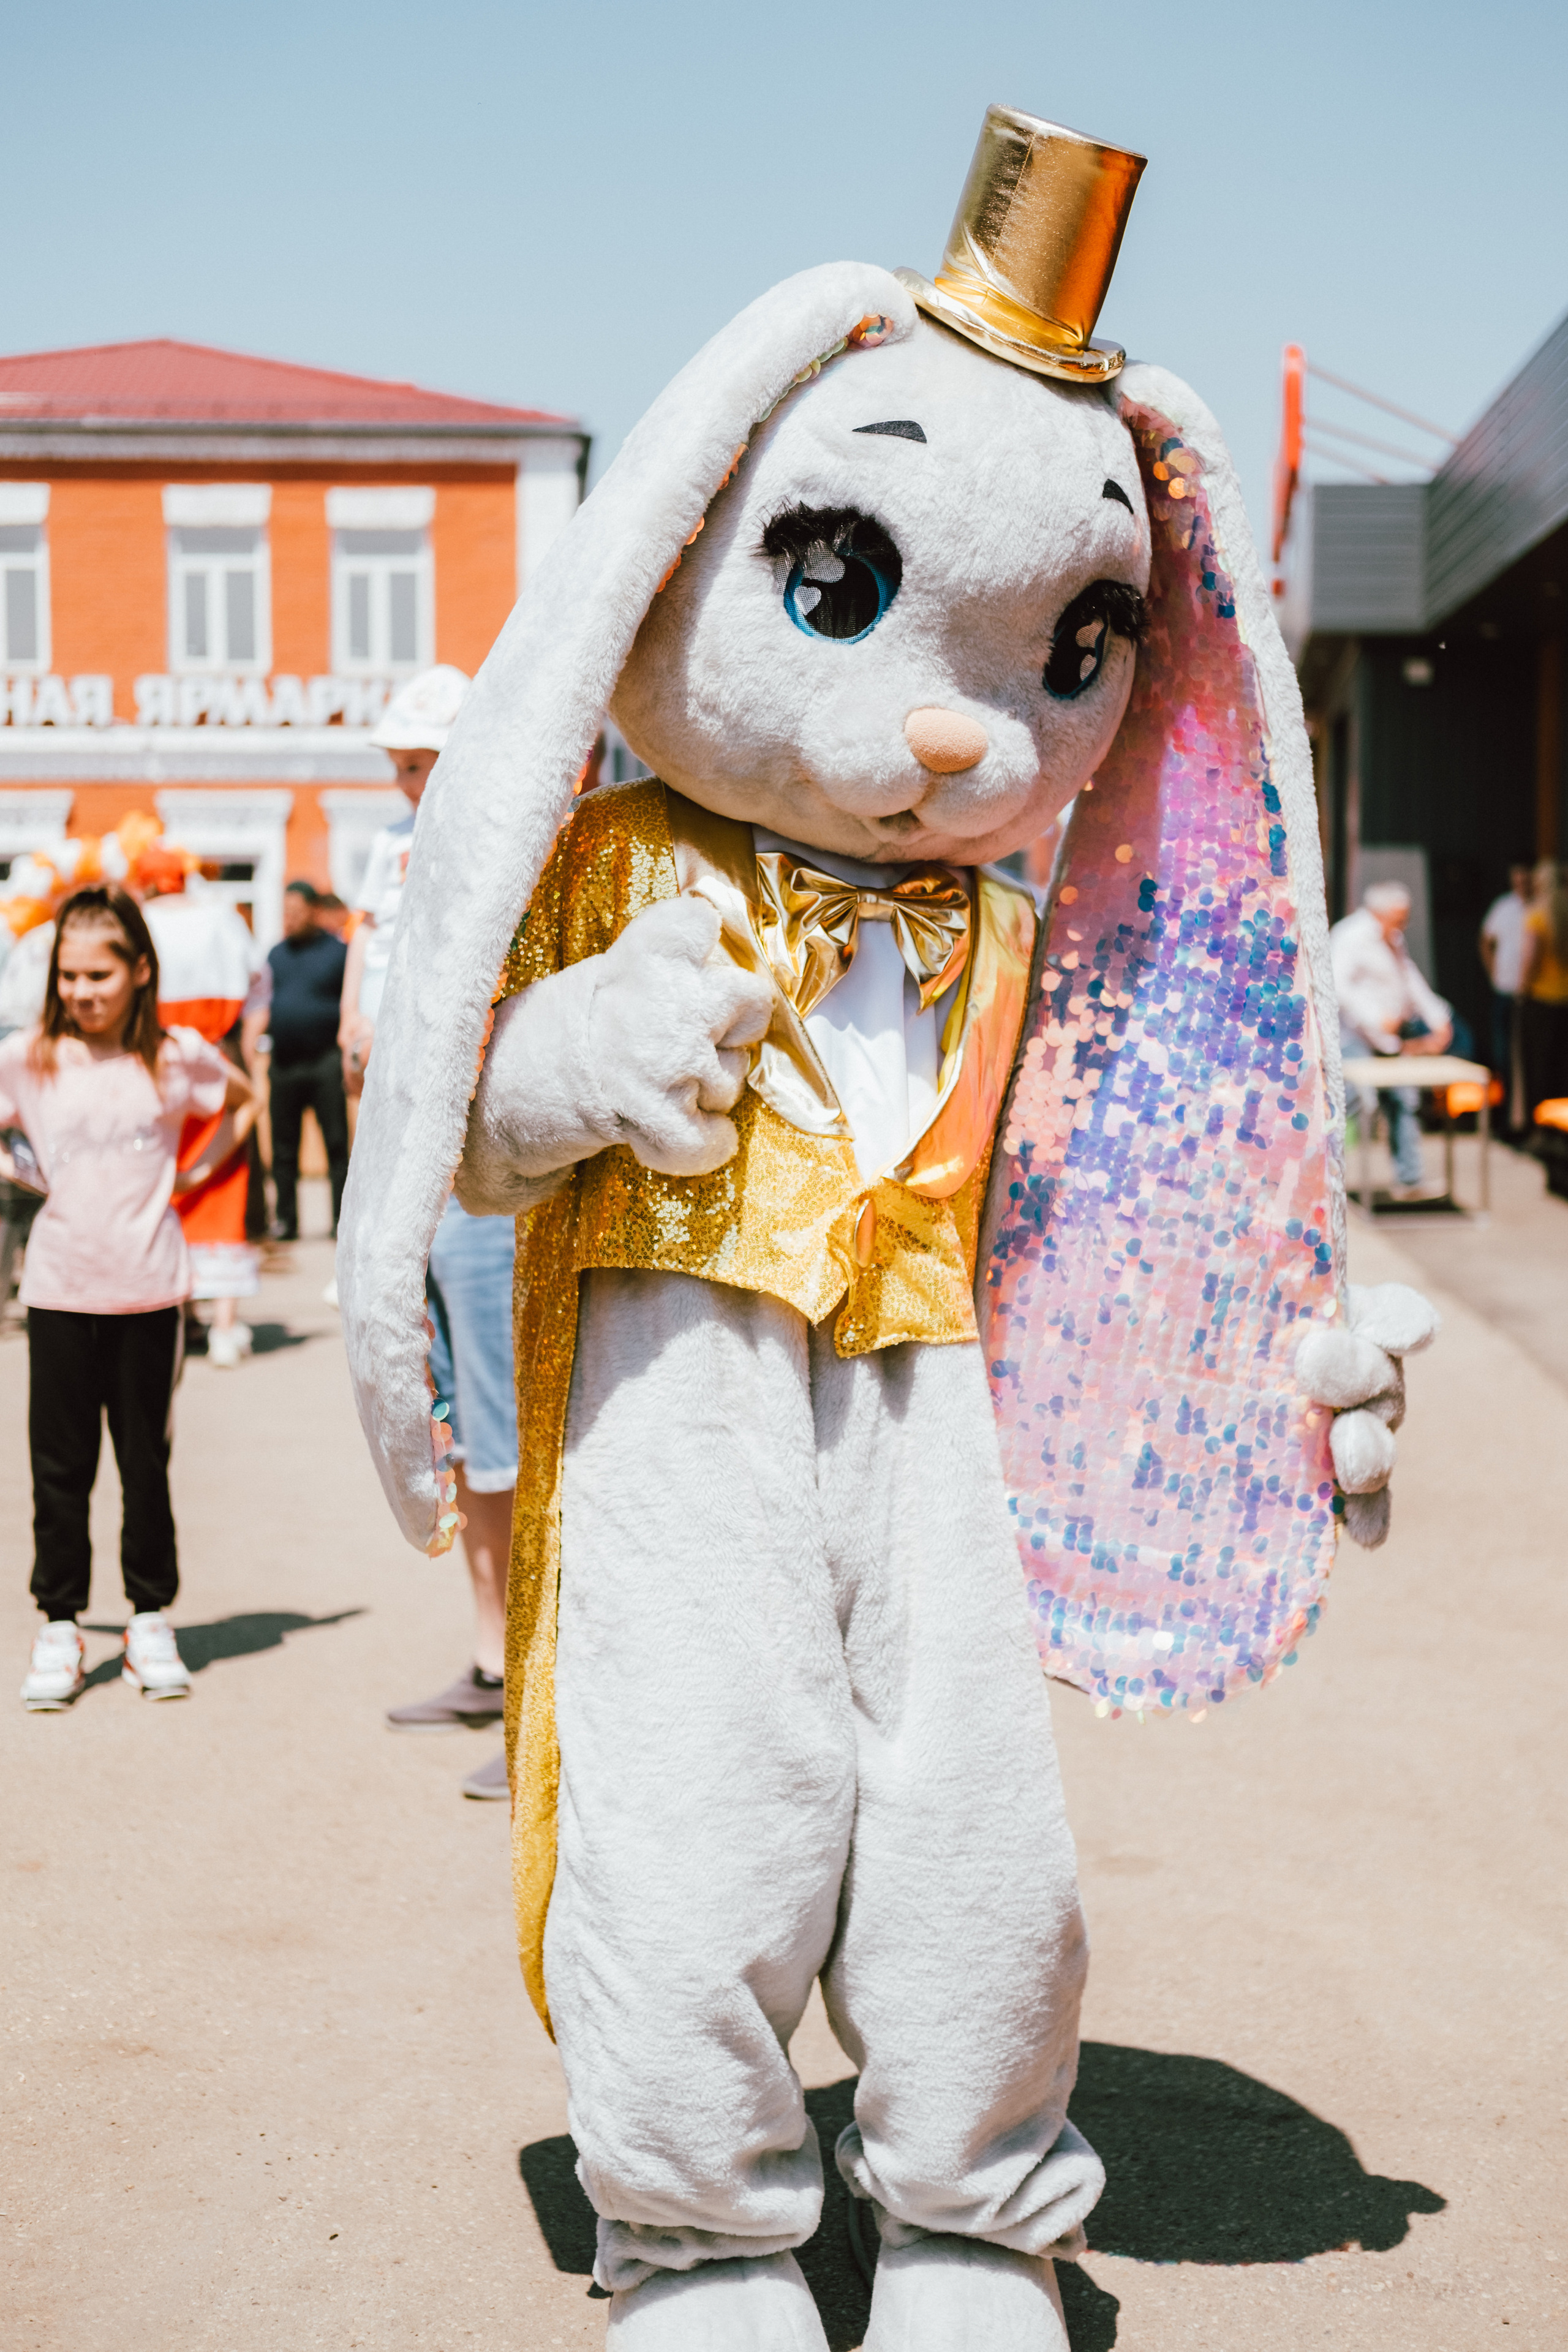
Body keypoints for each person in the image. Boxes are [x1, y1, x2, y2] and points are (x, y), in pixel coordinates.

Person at [5, 884, 254, 1712]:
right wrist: (23, 1171)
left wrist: (188, 1174)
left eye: (99, 975)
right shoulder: (28, 1057)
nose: (82, 992)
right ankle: (61, 1626)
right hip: (60, 1289)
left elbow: (244, 1104)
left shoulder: (177, 1055)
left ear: (140, 971)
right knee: (60, 1468)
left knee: (145, 1464)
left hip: (150, 1291)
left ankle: (149, 1619)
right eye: (69, 976)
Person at [345, 668, 516, 1801]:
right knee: (459, 1429)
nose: (408, 783)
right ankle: (494, 1657)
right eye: (402, 764)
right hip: (411, 1168)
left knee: (513, 1435)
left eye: (422, 762)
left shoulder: (515, 849)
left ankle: (542, 1700)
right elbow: (373, 979)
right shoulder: (390, 854)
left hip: (483, 1177)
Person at [140, 850, 271, 1368]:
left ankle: (181, 1313)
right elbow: (259, 982)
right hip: (217, 1052)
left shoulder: (142, 920)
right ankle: (223, 1322)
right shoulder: (222, 915)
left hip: (155, 1056)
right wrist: (252, 1041)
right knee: (223, 1175)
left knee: (166, 1177)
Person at [1331, 880, 1453, 1196]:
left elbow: (1409, 978)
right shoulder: (1350, 936)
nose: (1405, 923)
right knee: (1349, 1103)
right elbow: (1338, 987)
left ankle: (1410, 1179)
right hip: (1355, 1036)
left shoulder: (1393, 938)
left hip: (1389, 1041)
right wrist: (1375, 1019)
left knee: (1402, 1099)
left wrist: (1438, 1018)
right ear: (1379, 912)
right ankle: (1320, 1174)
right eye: (1400, 916)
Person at [265, 881, 349, 1240]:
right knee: (283, 1148)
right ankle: (286, 1221)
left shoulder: (338, 953)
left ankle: (341, 1221)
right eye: (286, 913)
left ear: (314, 912)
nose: (290, 919)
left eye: (297, 913)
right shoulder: (275, 956)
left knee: (336, 1146)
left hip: (325, 1062)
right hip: (284, 1063)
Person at [1480, 863, 1531, 1121]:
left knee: (1527, 1057)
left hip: (1531, 995)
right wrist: (1493, 972)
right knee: (1503, 1055)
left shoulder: (1538, 907)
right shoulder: (1504, 906)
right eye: (1517, 878)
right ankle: (1506, 1115)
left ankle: (1525, 1118)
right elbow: (1486, 940)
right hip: (1505, 990)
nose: (1520, 882)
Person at [1519, 858, 1568, 1120]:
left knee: (1539, 1068)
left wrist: (1521, 989)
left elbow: (1531, 960)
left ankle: (1540, 1125)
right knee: (1562, 1067)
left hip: (1541, 1000)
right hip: (1565, 1000)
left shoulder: (1538, 914)